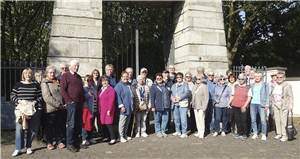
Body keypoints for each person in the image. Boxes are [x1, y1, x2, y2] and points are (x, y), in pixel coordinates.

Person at [11, 68, 43, 157]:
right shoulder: (18, 84)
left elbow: (40, 96)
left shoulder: (35, 85)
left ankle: (28, 146)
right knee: (19, 129)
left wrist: (35, 102)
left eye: (29, 73)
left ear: (31, 75)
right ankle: (18, 148)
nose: (28, 75)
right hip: (21, 110)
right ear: (23, 75)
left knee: (32, 129)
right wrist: (19, 101)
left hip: (33, 110)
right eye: (26, 73)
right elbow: (12, 96)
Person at [60, 60, 84, 152]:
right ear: (70, 66)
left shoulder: (78, 77)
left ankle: (76, 143)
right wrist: (69, 101)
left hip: (79, 104)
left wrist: (83, 101)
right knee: (71, 124)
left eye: (78, 66)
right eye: (75, 66)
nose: (77, 67)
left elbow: (81, 90)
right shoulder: (65, 76)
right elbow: (62, 90)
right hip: (71, 104)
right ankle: (69, 144)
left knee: (78, 124)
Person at [41, 66, 65, 150]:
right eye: (50, 72)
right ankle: (49, 142)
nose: (52, 74)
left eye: (53, 72)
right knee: (49, 126)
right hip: (50, 108)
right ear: (47, 73)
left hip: (60, 108)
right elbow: (47, 97)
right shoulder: (45, 82)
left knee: (59, 125)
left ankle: (59, 141)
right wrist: (58, 105)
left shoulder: (57, 81)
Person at [271, 71, 293, 142]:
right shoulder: (274, 85)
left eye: (281, 77)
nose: (279, 78)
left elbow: (291, 96)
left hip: (284, 105)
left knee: (283, 121)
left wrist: (290, 106)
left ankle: (284, 135)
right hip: (276, 105)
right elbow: (272, 95)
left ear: (284, 78)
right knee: (277, 120)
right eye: (277, 77)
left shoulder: (287, 85)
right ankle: (279, 133)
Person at [229, 73, 252, 140]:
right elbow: (232, 95)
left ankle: (245, 134)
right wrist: (229, 102)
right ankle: (239, 133)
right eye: (239, 79)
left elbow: (249, 98)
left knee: (244, 120)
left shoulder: (248, 87)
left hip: (243, 106)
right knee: (237, 120)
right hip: (235, 105)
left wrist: (244, 106)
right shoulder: (235, 86)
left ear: (245, 79)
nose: (240, 80)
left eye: (242, 79)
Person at [114, 71, 135, 143]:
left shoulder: (129, 84)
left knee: (127, 123)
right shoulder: (118, 85)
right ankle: (120, 136)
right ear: (121, 77)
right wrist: (121, 106)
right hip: (123, 108)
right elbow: (117, 97)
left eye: (127, 76)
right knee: (122, 123)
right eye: (124, 76)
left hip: (129, 107)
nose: (126, 77)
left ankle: (125, 135)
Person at [249, 72, 269, 141]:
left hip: (261, 104)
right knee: (253, 120)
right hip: (253, 104)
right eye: (256, 76)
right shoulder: (252, 85)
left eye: (258, 76)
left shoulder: (265, 85)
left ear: (261, 77)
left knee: (263, 120)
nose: (257, 77)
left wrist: (267, 104)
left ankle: (263, 134)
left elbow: (267, 95)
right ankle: (255, 133)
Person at [171, 72, 191, 138]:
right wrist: (172, 98)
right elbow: (171, 94)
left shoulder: (185, 84)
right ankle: (178, 131)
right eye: (177, 77)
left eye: (180, 77)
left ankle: (184, 133)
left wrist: (180, 98)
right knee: (176, 119)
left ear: (182, 78)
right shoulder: (174, 85)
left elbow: (187, 93)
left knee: (183, 119)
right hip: (175, 104)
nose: (179, 78)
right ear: (176, 78)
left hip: (182, 104)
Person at [151, 73, 171, 137]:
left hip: (166, 105)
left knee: (165, 119)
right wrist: (153, 106)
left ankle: (163, 131)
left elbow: (169, 94)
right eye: (157, 78)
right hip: (158, 106)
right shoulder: (153, 86)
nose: (159, 79)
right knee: (157, 120)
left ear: (162, 78)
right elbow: (152, 97)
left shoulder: (166, 86)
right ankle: (158, 131)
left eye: (160, 78)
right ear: (155, 79)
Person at [98, 76, 117, 145]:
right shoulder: (101, 89)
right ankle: (108, 137)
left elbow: (111, 101)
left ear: (108, 81)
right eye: (103, 81)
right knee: (105, 124)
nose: (104, 82)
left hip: (108, 110)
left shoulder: (111, 89)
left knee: (109, 124)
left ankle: (113, 138)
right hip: (102, 110)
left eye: (106, 80)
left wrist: (109, 110)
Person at [81, 75, 97, 147]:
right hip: (86, 109)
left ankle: (90, 137)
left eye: (90, 80)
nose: (88, 82)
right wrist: (87, 95)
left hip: (93, 108)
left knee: (91, 123)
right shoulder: (83, 89)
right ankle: (84, 139)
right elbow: (81, 98)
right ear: (84, 81)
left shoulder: (93, 88)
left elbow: (96, 97)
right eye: (87, 80)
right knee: (85, 124)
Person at [191, 74, 209, 139]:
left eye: (199, 79)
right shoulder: (194, 86)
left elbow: (206, 98)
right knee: (197, 120)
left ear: (202, 79)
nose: (198, 80)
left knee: (201, 120)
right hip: (195, 105)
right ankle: (199, 131)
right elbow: (193, 95)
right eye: (196, 79)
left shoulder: (204, 86)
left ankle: (202, 133)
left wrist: (204, 107)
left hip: (201, 106)